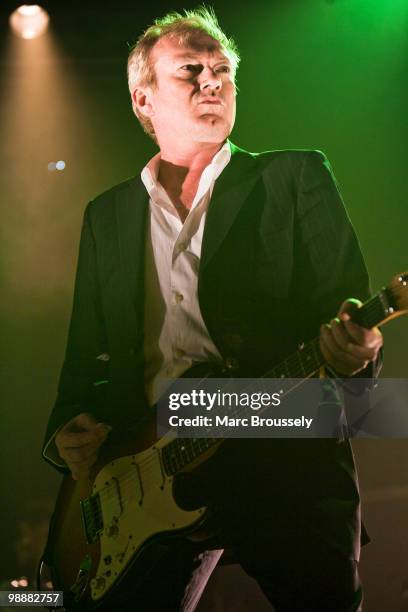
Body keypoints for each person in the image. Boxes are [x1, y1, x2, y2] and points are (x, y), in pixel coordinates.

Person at [42, 7, 383, 611]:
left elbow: (346, 310)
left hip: (279, 456)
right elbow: (82, 360)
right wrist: (68, 431)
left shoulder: (294, 177)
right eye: (190, 70)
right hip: (148, 471)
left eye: (223, 70)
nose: (213, 82)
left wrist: (358, 350)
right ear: (142, 99)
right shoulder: (107, 216)